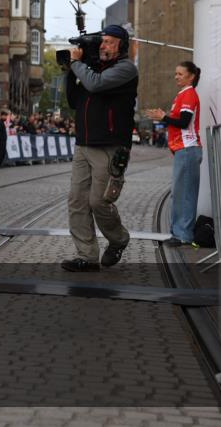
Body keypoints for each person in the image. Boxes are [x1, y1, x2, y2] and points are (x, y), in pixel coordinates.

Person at [62, 25, 137, 272]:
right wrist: (68, 70)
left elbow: (96, 85)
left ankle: (118, 239)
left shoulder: (125, 69)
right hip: (83, 144)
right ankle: (87, 255)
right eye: (102, 42)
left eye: (109, 42)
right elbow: (74, 100)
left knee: (99, 202)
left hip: (110, 146)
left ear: (121, 46)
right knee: (77, 202)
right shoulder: (90, 69)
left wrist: (78, 65)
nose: (104, 46)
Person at [145, 61, 202, 246]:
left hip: (188, 149)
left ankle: (183, 235)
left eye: (180, 74)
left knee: (184, 194)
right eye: (175, 73)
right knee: (180, 193)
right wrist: (164, 117)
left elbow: (184, 122)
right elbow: (178, 120)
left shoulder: (189, 94)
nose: (176, 76)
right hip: (184, 149)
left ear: (191, 76)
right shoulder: (182, 95)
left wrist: (164, 117)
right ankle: (178, 233)